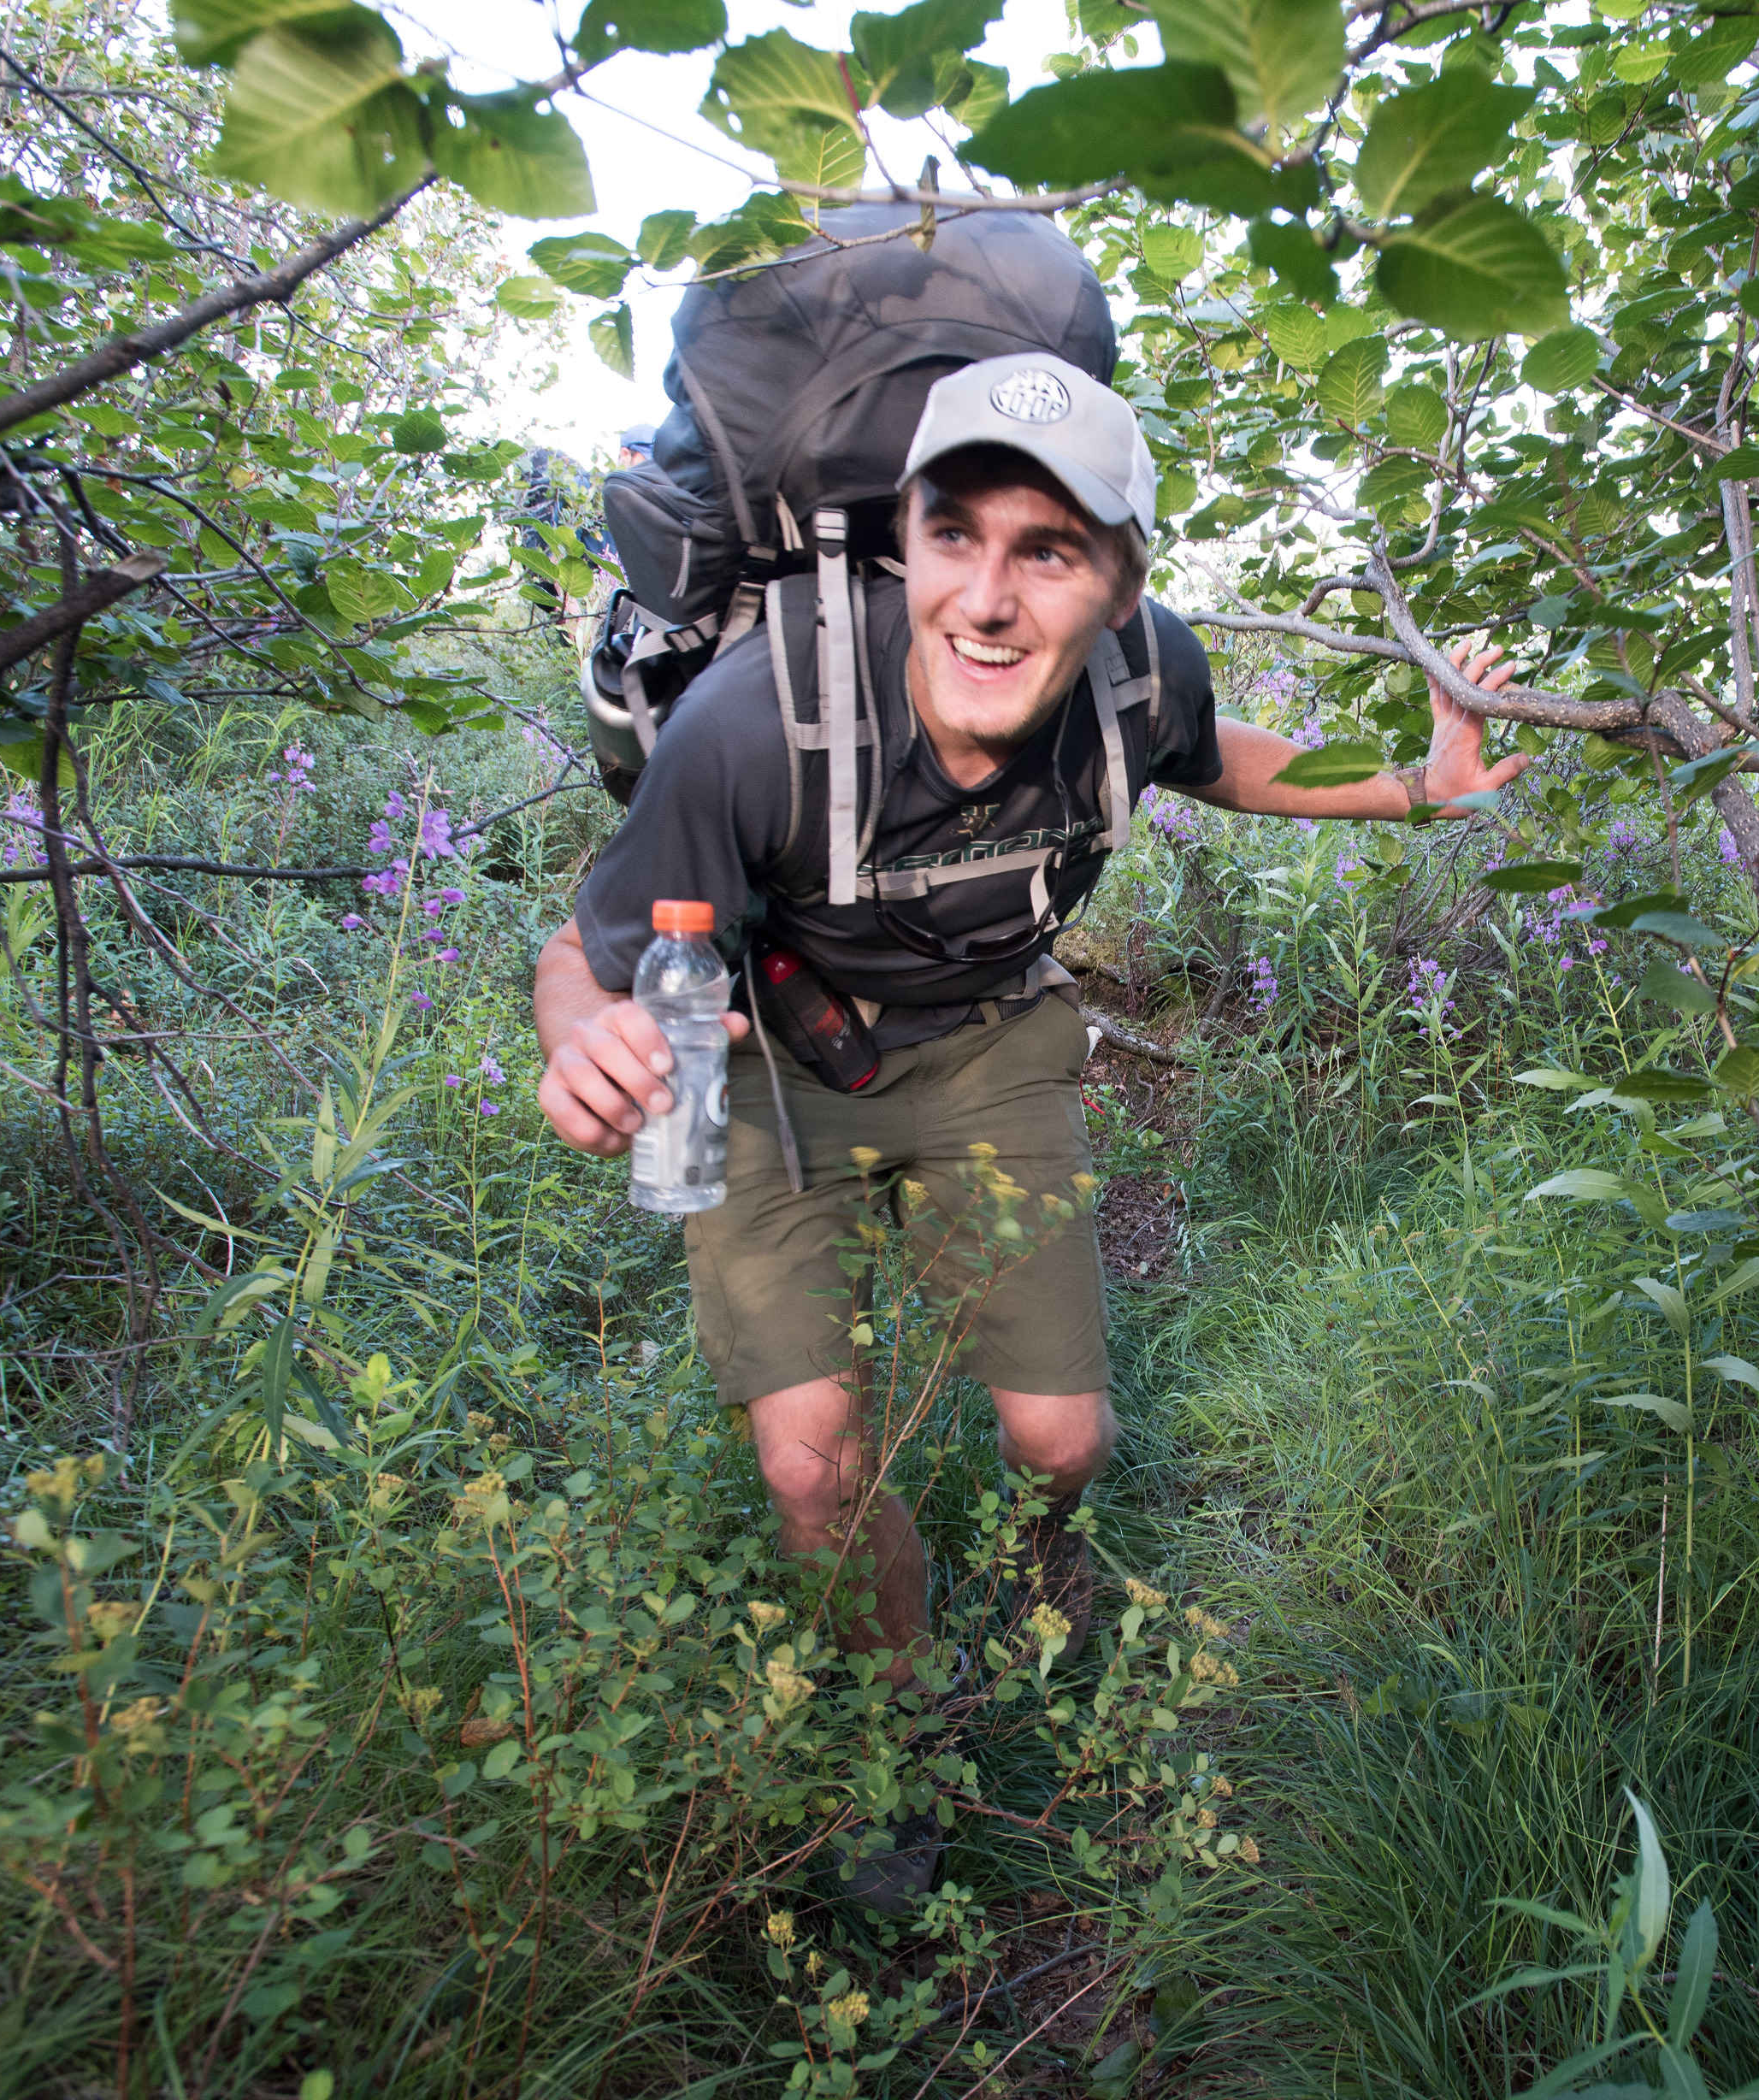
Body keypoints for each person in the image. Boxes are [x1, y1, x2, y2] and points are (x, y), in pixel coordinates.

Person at [529, 351, 1525, 1907]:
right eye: (956, 538)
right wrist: (585, 1041)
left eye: (1047, 552)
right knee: (812, 1473)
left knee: (1059, 1439)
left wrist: (1416, 786)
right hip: (763, 1071)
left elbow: (1222, 761)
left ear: (1121, 586)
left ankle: (1038, 1563)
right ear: (903, 541)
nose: (987, 601)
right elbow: (587, 957)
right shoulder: (753, 714)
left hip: (993, 1046)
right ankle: (903, 1741)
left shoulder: (1143, 673)